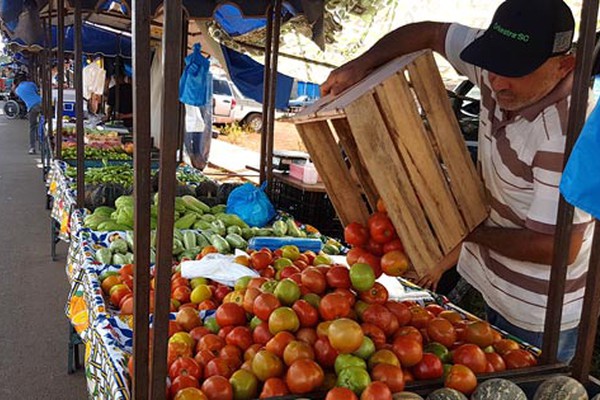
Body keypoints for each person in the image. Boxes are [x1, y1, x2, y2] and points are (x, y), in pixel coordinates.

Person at [322, 0, 593, 363]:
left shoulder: (567, 134)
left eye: (512, 70)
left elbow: (557, 247)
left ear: (564, 65)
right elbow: (430, 33)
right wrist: (360, 64)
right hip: (490, 281)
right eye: (492, 65)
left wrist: (460, 230)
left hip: (539, 312)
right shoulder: (499, 68)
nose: (494, 80)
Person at [13, 74, 42, 154]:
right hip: (41, 103)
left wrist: (14, 86)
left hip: (31, 107)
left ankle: (32, 148)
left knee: (32, 127)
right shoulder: (31, 84)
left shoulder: (17, 90)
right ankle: (43, 142)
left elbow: (19, 97)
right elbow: (37, 91)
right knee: (44, 123)